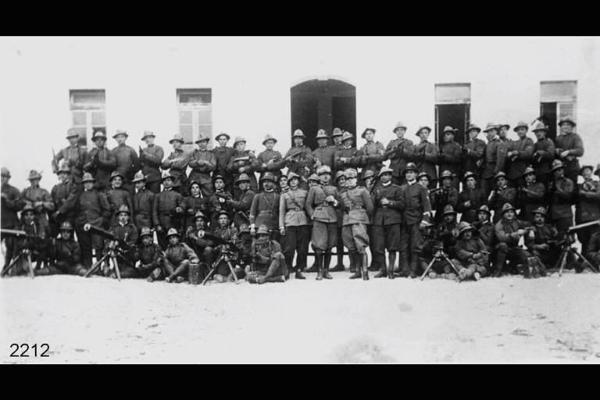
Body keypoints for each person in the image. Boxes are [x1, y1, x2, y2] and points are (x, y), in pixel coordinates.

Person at [305, 165, 340, 280]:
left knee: (330, 246)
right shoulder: (314, 189)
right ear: (319, 176)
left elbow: (340, 205)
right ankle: (319, 270)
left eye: (327, 174)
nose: (325, 176)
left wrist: (334, 201)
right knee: (319, 245)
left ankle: (326, 270)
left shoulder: (334, 189)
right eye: (322, 174)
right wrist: (312, 214)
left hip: (332, 217)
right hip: (319, 217)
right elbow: (308, 204)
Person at [399, 162, 432, 277]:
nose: (409, 175)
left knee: (415, 246)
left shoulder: (421, 188)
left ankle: (413, 270)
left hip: (416, 221)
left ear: (416, 174)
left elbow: (427, 206)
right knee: (403, 246)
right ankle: (405, 270)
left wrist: (425, 220)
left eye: (411, 172)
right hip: (403, 221)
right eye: (407, 173)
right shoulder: (401, 188)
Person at [340, 168, 374, 280]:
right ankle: (357, 270)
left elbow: (370, 208)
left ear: (356, 179)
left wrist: (363, 218)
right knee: (351, 246)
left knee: (361, 245)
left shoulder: (362, 191)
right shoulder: (343, 193)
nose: (349, 181)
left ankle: (365, 271)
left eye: (352, 178)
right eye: (347, 179)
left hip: (359, 219)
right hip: (347, 220)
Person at [72, 173, 111, 269]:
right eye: (85, 183)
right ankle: (88, 266)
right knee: (85, 246)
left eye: (89, 182)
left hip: (96, 224)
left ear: (93, 183)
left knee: (98, 245)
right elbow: (76, 210)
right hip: (83, 224)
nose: (88, 184)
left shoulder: (99, 195)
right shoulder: (80, 195)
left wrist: (101, 220)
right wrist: (79, 221)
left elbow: (107, 210)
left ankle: (99, 266)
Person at [370, 167, 403, 279]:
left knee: (392, 246)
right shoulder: (376, 189)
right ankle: (383, 269)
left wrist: (390, 203)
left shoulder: (397, 189)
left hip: (393, 220)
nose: (385, 177)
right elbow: (371, 206)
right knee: (379, 246)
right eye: (383, 175)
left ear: (391, 176)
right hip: (379, 221)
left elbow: (402, 204)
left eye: (387, 174)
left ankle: (391, 270)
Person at [279, 172, 310, 279]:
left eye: (295, 179)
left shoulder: (304, 192)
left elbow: (308, 207)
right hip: (290, 221)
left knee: (302, 248)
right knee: (289, 247)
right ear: (288, 182)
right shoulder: (284, 194)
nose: (293, 182)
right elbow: (282, 211)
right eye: (291, 180)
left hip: (302, 221)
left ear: (298, 181)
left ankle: (299, 269)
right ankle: (288, 267)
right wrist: (281, 226)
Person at [494, 203, 532, 277]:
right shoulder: (499, 224)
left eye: (511, 212)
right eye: (507, 212)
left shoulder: (516, 222)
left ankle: (512, 267)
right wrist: (516, 233)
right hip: (500, 250)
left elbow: (529, 224)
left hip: (513, 248)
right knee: (503, 246)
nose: (509, 214)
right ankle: (497, 271)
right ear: (503, 214)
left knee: (527, 255)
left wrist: (530, 230)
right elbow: (502, 238)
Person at [11, 202, 49, 276]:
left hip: (35, 249)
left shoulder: (37, 225)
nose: (29, 217)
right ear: (23, 216)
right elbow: (16, 239)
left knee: (45, 246)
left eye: (31, 215)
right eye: (26, 215)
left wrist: (34, 243)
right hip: (22, 251)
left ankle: (38, 267)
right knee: (21, 271)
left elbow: (41, 237)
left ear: (34, 216)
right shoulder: (19, 226)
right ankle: (17, 266)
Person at [103, 205, 138, 278]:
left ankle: (119, 272)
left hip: (127, 253)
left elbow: (133, 241)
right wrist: (110, 243)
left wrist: (123, 245)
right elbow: (108, 238)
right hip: (116, 252)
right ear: (118, 217)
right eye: (121, 215)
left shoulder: (132, 228)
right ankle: (106, 266)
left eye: (125, 215)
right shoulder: (114, 227)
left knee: (131, 271)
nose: (123, 217)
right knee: (107, 248)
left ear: (128, 217)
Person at [153, 172, 185, 250]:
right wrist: (157, 224)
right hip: (162, 223)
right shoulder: (157, 196)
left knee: (174, 244)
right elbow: (154, 211)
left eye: (168, 180)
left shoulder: (177, 195)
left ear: (172, 182)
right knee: (163, 245)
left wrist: (180, 209)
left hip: (173, 222)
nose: (166, 182)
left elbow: (182, 207)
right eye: (164, 181)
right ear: (162, 183)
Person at [525, 207, 559, 273]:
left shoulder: (549, 227)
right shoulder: (531, 228)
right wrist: (539, 246)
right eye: (537, 217)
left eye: (542, 217)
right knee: (533, 253)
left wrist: (556, 237)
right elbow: (528, 244)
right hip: (538, 251)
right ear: (534, 218)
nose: (540, 219)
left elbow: (556, 239)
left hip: (549, 250)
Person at [1, 167, 22, 271]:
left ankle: (8, 267)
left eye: (5, 176)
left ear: (9, 178)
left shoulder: (13, 190)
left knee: (10, 245)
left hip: (10, 223)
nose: (3, 178)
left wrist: (7, 201)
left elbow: (20, 205)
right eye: (1, 176)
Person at [575, 165, 600, 254]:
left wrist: (585, 194)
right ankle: (585, 264)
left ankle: (594, 264)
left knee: (594, 242)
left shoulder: (597, 184)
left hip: (594, 217)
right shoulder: (579, 186)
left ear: (591, 172)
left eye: (588, 171)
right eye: (584, 171)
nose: (586, 173)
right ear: (582, 174)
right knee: (584, 242)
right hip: (582, 218)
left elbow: (598, 196)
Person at [210, 211, 241, 282]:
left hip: (231, 255)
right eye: (221, 219)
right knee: (221, 272)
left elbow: (234, 243)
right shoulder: (216, 231)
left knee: (236, 269)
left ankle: (230, 276)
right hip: (220, 255)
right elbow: (214, 245)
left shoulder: (233, 230)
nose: (223, 220)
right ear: (218, 221)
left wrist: (226, 245)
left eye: (225, 218)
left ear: (228, 220)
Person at [249, 172, 280, 242]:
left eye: (268, 181)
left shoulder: (278, 196)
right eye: (264, 182)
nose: (266, 184)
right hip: (260, 224)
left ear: (273, 183)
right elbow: (252, 213)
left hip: (274, 225)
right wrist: (252, 226)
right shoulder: (258, 196)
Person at [21, 169, 54, 235]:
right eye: (32, 180)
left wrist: (41, 203)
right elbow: (19, 201)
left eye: (35, 179)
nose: (34, 181)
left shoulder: (44, 192)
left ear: (39, 179)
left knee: (42, 238)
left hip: (41, 218)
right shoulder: (26, 191)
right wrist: (26, 203)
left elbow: (52, 206)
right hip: (29, 218)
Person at [50, 162, 78, 237]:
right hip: (58, 217)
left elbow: (70, 202)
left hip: (69, 216)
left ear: (68, 175)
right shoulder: (55, 188)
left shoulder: (73, 186)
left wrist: (59, 211)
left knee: (68, 237)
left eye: (65, 173)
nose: (62, 175)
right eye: (61, 173)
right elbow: (52, 200)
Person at [548, 159, 575, 236]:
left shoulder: (568, 182)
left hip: (565, 214)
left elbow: (568, 195)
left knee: (567, 237)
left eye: (560, 169)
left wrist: (556, 190)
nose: (559, 172)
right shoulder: (551, 183)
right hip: (554, 214)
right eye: (556, 170)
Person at [185, 211, 215, 279]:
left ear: (204, 222)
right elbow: (187, 245)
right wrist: (187, 236)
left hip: (207, 256)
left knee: (208, 249)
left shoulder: (209, 231)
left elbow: (209, 243)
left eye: (201, 221)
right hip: (195, 255)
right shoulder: (192, 231)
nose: (199, 223)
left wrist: (195, 238)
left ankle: (208, 270)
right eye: (197, 221)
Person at [554, 117, 584, 184]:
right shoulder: (558, 138)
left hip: (572, 167)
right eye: (563, 125)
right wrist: (557, 151)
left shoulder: (575, 137)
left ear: (572, 127)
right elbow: (554, 151)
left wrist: (568, 152)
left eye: (568, 125)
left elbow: (580, 151)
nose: (565, 126)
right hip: (560, 167)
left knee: (571, 188)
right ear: (561, 127)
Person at [111, 129, 140, 195]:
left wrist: (131, 173)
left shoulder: (130, 150)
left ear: (125, 138)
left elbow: (137, 165)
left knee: (130, 197)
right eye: (118, 137)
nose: (120, 139)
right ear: (115, 139)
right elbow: (111, 166)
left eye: (122, 137)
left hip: (128, 180)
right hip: (118, 180)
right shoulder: (113, 151)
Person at [505, 121, 534, 188]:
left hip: (523, 172)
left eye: (522, 129)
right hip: (512, 173)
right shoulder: (515, 143)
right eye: (518, 130)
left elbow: (528, 153)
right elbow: (508, 151)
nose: (520, 132)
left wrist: (516, 153)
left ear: (526, 130)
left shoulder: (529, 141)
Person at [481, 123, 507, 197]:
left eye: (492, 131)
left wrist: (496, 172)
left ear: (496, 131)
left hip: (494, 172)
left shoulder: (499, 143)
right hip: (486, 172)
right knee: (485, 193)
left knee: (495, 194)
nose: (490, 133)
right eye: (488, 131)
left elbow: (500, 160)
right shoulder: (489, 143)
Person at [188, 133, 216, 198]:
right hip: (194, 175)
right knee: (192, 194)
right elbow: (190, 163)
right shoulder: (194, 153)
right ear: (198, 144)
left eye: (203, 142)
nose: (201, 144)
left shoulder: (211, 154)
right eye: (199, 142)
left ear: (207, 143)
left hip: (206, 177)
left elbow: (213, 166)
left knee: (209, 194)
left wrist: (206, 163)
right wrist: (197, 162)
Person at [531, 121, 555, 186]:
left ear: (544, 132)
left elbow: (551, 154)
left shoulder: (549, 142)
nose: (538, 133)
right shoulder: (535, 145)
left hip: (546, 172)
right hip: (536, 172)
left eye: (540, 131)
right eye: (536, 132)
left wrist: (540, 153)